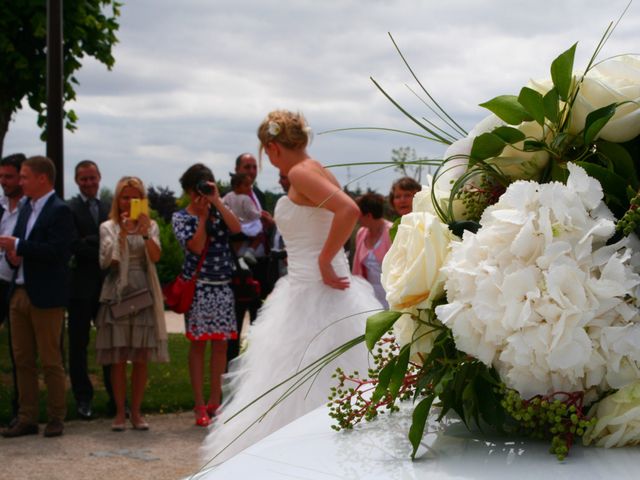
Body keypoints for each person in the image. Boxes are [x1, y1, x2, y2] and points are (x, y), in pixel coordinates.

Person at [201, 110, 381, 464]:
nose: (268, 158)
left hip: (314, 291)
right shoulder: (317, 169)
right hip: (315, 289)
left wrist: (325, 259)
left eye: (266, 152)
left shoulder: (300, 172)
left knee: (298, 386)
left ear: (271, 146)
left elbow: (347, 210)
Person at [0, 155, 74, 438]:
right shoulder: (26, 210)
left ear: (42, 178)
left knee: (50, 359)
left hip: (45, 296)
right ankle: (26, 417)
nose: (21, 182)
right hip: (18, 291)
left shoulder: (59, 210)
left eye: (25, 177)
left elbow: (58, 252)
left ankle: (56, 416)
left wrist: (19, 244)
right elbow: (24, 248)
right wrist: (14, 253)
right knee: (22, 359)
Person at [94, 176, 168, 431]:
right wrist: (123, 235)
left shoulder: (152, 226)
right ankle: (119, 413)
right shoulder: (108, 227)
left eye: (135, 197)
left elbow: (156, 256)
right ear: (117, 199)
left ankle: (136, 412)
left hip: (143, 291)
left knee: (140, 356)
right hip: (117, 290)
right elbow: (108, 262)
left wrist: (145, 232)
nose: (129, 202)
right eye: (125, 197)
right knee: (118, 356)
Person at [172, 164, 241, 427]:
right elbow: (196, 246)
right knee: (199, 344)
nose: (201, 193)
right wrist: (201, 217)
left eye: (207, 186)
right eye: (198, 189)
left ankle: (216, 402)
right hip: (199, 287)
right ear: (189, 191)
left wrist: (217, 203)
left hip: (223, 285)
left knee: (221, 344)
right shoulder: (181, 217)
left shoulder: (220, 212)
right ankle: (199, 403)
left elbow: (237, 228)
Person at [67, 160, 114, 419]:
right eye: (84, 179)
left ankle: (115, 398)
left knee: (109, 345)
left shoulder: (108, 208)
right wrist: (101, 241)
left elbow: (115, 240)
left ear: (99, 178)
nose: (89, 183)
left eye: (92, 178)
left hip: (106, 286)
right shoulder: (69, 208)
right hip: (80, 288)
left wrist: (92, 241)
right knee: (79, 344)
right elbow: (74, 245)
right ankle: (83, 398)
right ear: (77, 181)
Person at [227, 153, 275, 363]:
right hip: (237, 265)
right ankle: (230, 366)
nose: (251, 171)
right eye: (247, 167)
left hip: (260, 264)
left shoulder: (258, 194)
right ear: (237, 170)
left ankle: (255, 366)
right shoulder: (229, 196)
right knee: (235, 323)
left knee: (259, 322)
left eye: (254, 167)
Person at [0, 153, 27, 428]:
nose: (3, 182)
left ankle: (20, 409)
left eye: (9, 176)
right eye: (1, 177)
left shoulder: (30, 209)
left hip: (16, 282)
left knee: (18, 351)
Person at [352, 193, 392, 308]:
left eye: (358, 215)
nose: (356, 219)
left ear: (368, 215)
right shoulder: (361, 233)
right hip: (368, 295)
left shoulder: (392, 232)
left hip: (389, 294)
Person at [222, 172, 262, 264]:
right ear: (237, 186)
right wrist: (259, 214)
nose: (249, 188)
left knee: (235, 246)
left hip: (233, 225)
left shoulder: (228, 195)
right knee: (259, 235)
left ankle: (233, 259)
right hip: (246, 225)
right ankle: (250, 251)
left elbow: (221, 204)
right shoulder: (245, 198)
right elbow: (250, 212)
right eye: (247, 185)